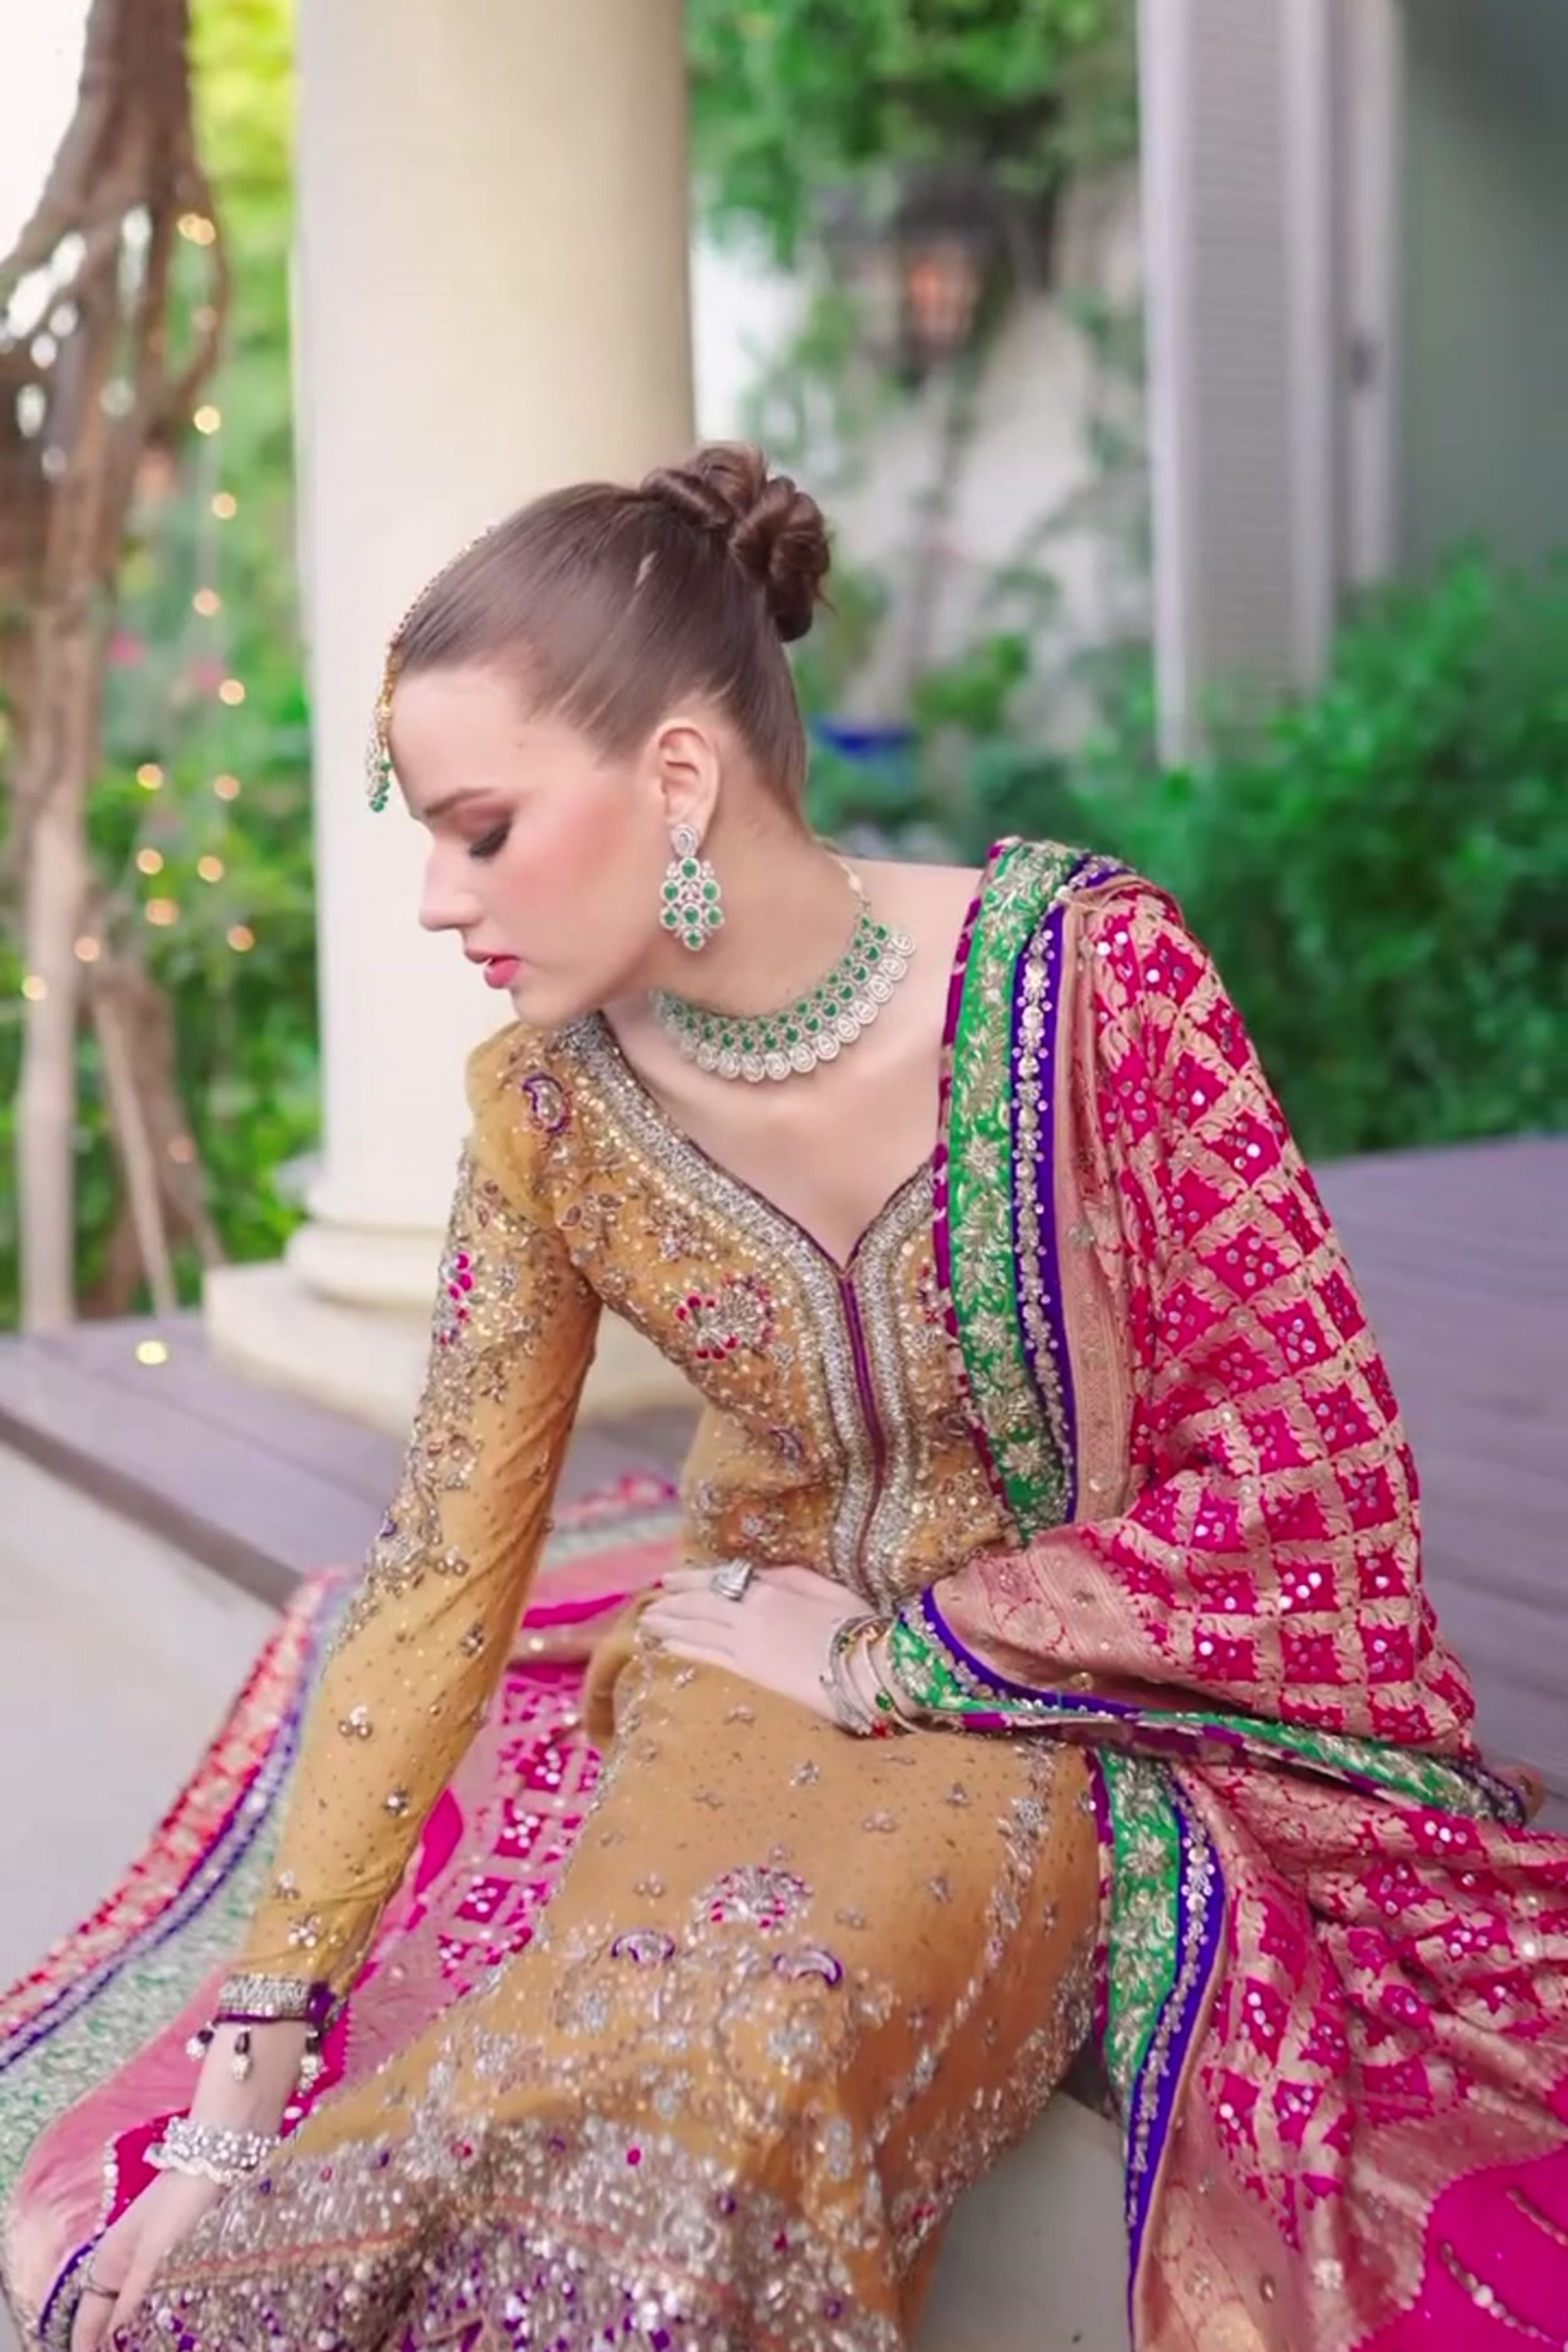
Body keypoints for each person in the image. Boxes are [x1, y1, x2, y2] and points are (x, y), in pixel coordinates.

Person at [3, 444, 1566, 2352]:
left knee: (726, 2120)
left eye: (479, 828)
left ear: (677, 777)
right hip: (726, 1672)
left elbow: (1313, 1480)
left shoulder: (1093, 988)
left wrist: (912, 1653)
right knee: (547, 2083)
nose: (435, 899)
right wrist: (247, 2082)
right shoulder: (551, 1114)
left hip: (1063, 1716)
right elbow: (435, 1562)